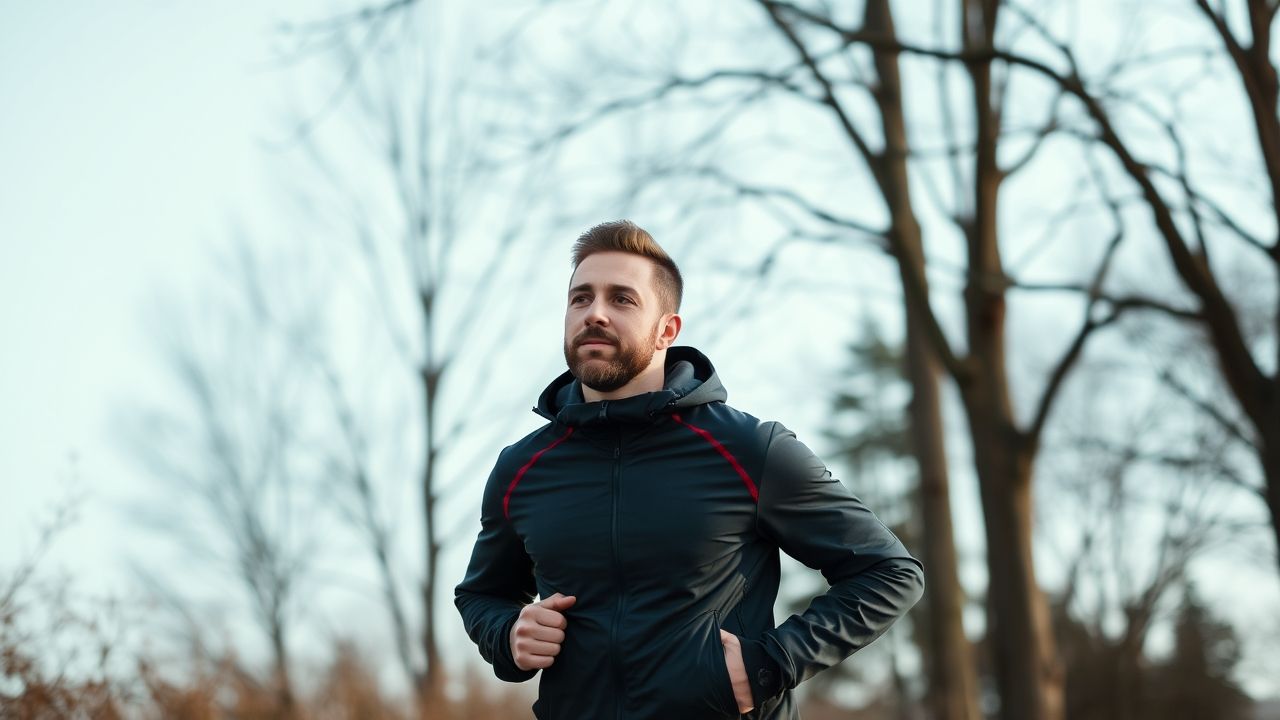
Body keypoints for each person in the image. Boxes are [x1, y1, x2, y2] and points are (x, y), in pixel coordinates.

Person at [454, 221, 924, 719]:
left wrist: (771, 662)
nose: (595, 314)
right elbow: (483, 594)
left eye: (622, 300)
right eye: (580, 298)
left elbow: (890, 571)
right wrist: (509, 635)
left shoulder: (750, 449)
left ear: (667, 330)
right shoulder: (522, 468)